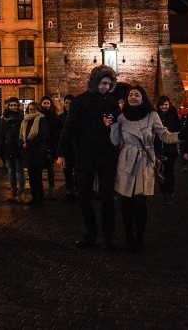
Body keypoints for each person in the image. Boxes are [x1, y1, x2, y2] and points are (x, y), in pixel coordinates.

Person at [57, 65, 121, 250]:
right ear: (95, 82)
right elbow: (68, 127)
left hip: (106, 155)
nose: (105, 87)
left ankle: (108, 236)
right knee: (84, 196)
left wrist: (110, 126)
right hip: (85, 155)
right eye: (103, 83)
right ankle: (90, 234)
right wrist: (61, 152)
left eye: (108, 84)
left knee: (107, 196)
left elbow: (118, 127)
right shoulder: (79, 101)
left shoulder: (111, 102)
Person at [111, 86, 179, 251]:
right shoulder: (121, 117)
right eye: (130, 95)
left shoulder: (152, 115)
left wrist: (180, 136)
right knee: (126, 202)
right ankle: (129, 238)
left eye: (137, 94)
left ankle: (139, 238)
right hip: (127, 160)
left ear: (143, 98)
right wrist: (112, 125)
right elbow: (115, 141)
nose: (133, 97)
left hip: (143, 161)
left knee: (141, 202)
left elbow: (164, 135)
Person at [154, 95, 181, 205]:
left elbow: (178, 130)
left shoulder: (174, 116)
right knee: (160, 171)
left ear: (169, 105)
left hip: (170, 149)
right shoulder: (155, 116)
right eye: (162, 105)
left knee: (169, 171)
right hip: (159, 149)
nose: (164, 107)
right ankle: (163, 192)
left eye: (166, 105)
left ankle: (169, 192)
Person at [21, 101, 48, 205]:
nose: (32, 111)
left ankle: (40, 198)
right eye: (30, 109)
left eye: (34, 109)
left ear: (38, 110)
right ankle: (34, 197)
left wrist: (30, 143)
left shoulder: (41, 119)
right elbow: (22, 134)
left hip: (37, 152)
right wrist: (22, 143)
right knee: (31, 177)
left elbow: (42, 135)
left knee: (37, 177)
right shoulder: (26, 120)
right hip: (28, 153)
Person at [0, 97, 25, 202]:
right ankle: (13, 192)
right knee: (11, 171)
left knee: (19, 171)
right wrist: (0, 149)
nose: (13, 107)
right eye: (11, 105)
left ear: (18, 106)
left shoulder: (22, 118)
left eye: (15, 105)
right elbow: (1, 135)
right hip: (8, 148)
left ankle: (21, 193)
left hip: (18, 148)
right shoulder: (4, 119)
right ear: (8, 106)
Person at [39, 96, 61, 198]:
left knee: (50, 169)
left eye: (48, 103)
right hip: (40, 145)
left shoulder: (54, 116)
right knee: (39, 168)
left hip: (50, 145)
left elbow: (56, 131)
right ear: (41, 104)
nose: (46, 105)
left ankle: (51, 190)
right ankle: (39, 190)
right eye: (44, 103)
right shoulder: (39, 116)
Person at [56, 94, 77, 201]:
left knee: (77, 172)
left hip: (76, 149)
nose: (68, 105)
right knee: (67, 172)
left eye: (70, 103)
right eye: (66, 103)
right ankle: (70, 192)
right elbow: (59, 134)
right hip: (66, 150)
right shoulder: (61, 117)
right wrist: (59, 152)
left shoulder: (78, 117)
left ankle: (77, 191)